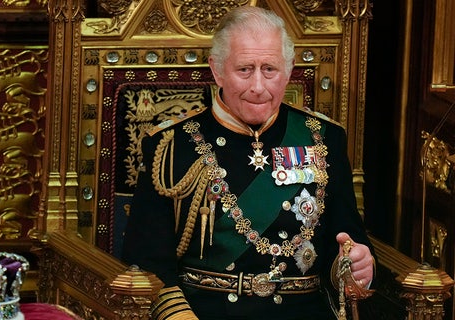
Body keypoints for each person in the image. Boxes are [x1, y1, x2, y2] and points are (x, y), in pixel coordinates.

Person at [121, 5, 375, 320]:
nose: (258, 86)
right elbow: (147, 261)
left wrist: (354, 264)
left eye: (270, 69)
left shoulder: (323, 138)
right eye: (244, 70)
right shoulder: (171, 146)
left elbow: (348, 238)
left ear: (290, 68)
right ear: (216, 70)